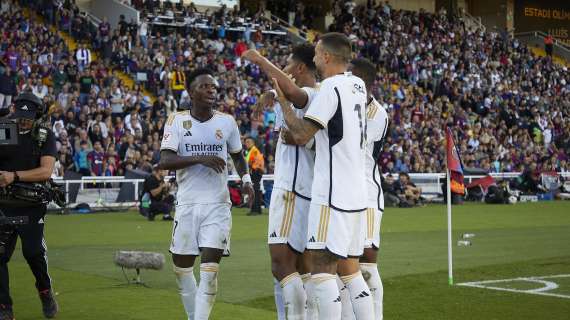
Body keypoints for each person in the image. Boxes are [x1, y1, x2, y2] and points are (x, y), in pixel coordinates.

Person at [272, 33, 374, 320]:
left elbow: (303, 133)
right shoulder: (357, 85)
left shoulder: (330, 87)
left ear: (327, 57)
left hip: (332, 193)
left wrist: (283, 103)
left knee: (322, 273)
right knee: (351, 274)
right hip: (357, 193)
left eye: (317, 54)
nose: (314, 58)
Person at [158, 68, 254, 320]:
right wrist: (200, 158)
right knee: (182, 268)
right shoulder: (176, 120)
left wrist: (246, 180)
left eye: (213, 86)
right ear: (191, 92)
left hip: (217, 204)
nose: (212, 90)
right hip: (188, 203)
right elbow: (165, 160)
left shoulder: (227, 121)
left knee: (210, 271)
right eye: (205, 86)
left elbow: (237, 155)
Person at [243, 44, 318, 320]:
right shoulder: (310, 95)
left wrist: (260, 59)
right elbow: (287, 90)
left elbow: (296, 93)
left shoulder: (310, 94)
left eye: (287, 63)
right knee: (301, 266)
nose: (283, 68)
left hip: (293, 192)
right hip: (304, 190)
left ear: (299, 68)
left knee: (280, 264)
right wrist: (272, 94)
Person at [0, 93, 58, 319]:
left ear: (37, 115)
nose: (23, 121)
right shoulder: (4, 129)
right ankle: (4, 308)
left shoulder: (44, 136)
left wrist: (14, 176)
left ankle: (45, 292)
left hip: (31, 205)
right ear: (14, 110)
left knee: (33, 253)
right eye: (20, 115)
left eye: (28, 117)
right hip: (3, 204)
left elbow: (46, 171)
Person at [351, 58, 390, 320]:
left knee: (366, 263)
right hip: (341, 191)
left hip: (365, 192)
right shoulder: (342, 101)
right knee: (342, 264)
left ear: (364, 84)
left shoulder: (378, 114)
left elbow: (356, 147)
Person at [244, 136, 265, 215]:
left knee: (254, 191)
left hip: (255, 172)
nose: (247, 143)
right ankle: (257, 210)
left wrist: (250, 169)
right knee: (255, 191)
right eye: (246, 142)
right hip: (255, 172)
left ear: (253, 143)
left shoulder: (254, 151)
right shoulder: (250, 151)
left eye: (248, 142)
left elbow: (254, 163)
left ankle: (255, 210)